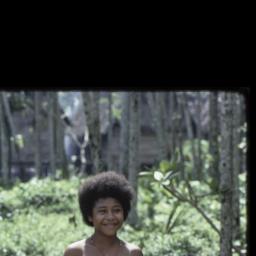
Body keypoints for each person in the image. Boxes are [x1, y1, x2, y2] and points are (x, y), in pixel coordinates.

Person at [64, 171, 143, 256]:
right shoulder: (75, 252)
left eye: (116, 210)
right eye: (103, 211)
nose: (110, 217)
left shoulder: (133, 252)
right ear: (90, 215)